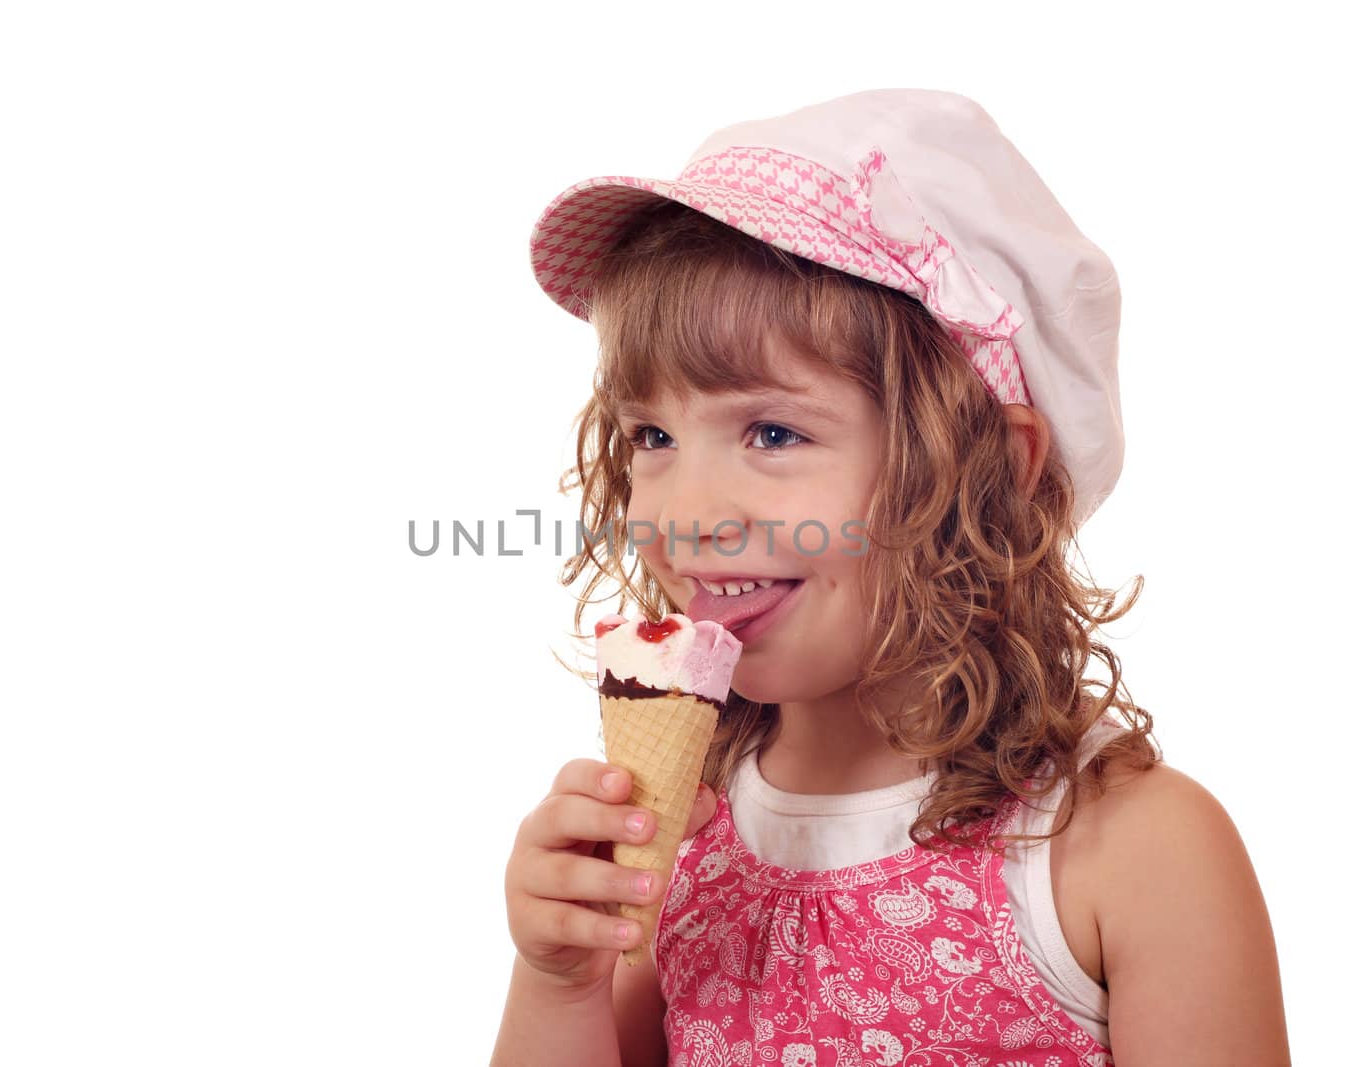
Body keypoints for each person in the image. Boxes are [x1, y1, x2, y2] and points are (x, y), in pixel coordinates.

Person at [492, 89, 1289, 1066]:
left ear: (991, 470)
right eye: (650, 434)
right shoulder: (681, 835)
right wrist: (558, 976)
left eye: (772, 431)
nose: (683, 509)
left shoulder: (1131, 852)